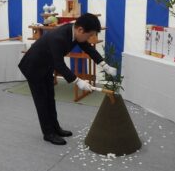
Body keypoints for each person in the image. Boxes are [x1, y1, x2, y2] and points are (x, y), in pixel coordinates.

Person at [18, 13, 117, 145]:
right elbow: (59, 64)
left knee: (50, 98)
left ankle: (56, 128)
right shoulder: (58, 37)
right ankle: (48, 133)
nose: (89, 38)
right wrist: (78, 81)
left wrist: (104, 65)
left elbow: (88, 48)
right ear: (81, 30)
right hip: (33, 67)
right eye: (89, 35)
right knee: (42, 101)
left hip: (46, 65)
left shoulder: (74, 30)